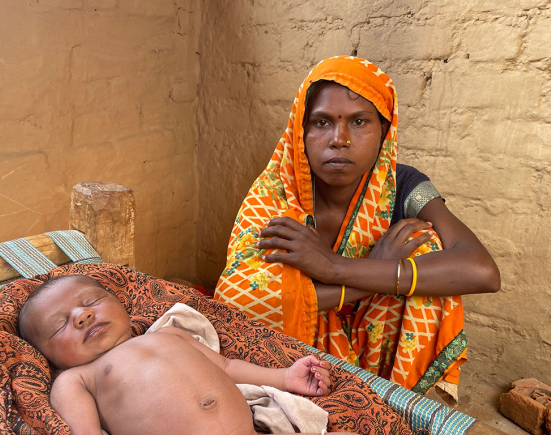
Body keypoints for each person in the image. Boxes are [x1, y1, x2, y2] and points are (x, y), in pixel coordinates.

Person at [214, 56, 500, 403]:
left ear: (384, 131)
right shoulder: (278, 190)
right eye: (321, 122)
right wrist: (365, 280)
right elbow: (240, 302)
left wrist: (334, 267)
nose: (339, 139)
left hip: (375, 349)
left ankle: (394, 404)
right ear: (300, 132)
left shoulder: (401, 185)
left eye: (360, 121)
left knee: (424, 248)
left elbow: (481, 271)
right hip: (293, 359)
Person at [18, 275, 359, 435]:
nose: (82, 315)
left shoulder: (169, 333)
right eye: (59, 325)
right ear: (46, 354)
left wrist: (285, 377)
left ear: (121, 304)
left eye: (91, 302)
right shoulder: (77, 378)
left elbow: (226, 367)